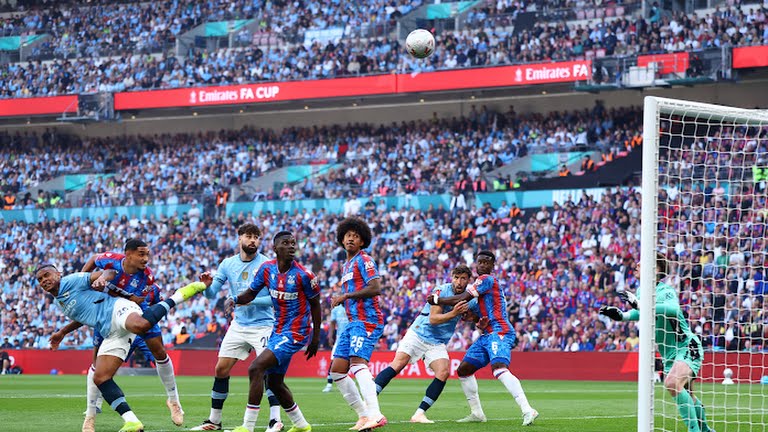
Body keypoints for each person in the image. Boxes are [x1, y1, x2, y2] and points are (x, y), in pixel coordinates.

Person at [40, 264, 210, 432]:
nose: (44, 280)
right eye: (40, 279)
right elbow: (83, 316)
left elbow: (109, 272)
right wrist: (62, 332)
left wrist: (101, 278)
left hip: (118, 309)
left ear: (58, 274)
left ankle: (180, 295)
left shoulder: (71, 280)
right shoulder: (58, 302)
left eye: (47, 275)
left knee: (143, 327)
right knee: (100, 377)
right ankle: (131, 421)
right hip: (110, 331)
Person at [51, 238, 184, 432]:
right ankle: (90, 415)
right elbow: (96, 259)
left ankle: (173, 401)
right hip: (108, 318)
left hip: (134, 317)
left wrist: (127, 296)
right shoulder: (110, 260)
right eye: (142, 254)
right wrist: (86, 279)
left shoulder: (147, 278)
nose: (146, 259)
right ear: (127, 254)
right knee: (97, 366)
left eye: (147, 254)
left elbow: (141, 301)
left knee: (160, 353)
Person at [599, 253, 712, 432]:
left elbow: (673, 310)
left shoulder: (665, 291)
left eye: (641, 263)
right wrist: (622, 315)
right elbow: (642, 312)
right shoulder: (641, 292)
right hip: (669, 354)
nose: (636, 265)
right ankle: (706, 430)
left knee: (672, 383)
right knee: (687, 393)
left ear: (655, 269)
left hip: (686, 345)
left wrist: (641, 305)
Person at [428, 250, 538, 425]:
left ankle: (527, 409)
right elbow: (477, 316)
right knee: (463, 370)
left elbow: (463, 297)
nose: (483, 265)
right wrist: (477, 321)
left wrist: (437, 299)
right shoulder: (483, 289)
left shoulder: (487, 280)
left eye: (487, 262)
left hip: (499, 331)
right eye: (480, 262)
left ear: (493, 266)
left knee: (499, 368)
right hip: (487, 334)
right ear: (476, 264)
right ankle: (477, 413)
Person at [192, 224, 284, 432]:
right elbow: (212, 293)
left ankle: (275, 420)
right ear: (239, 238)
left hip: (264, 326)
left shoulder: (268, 264)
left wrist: (245, 301)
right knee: (221, 369)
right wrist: (205, 287)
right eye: (248, 236)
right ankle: (214, 420)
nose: (253, 240)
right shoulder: (228, 264)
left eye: (256, 237)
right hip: (239, 325)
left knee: (269, 372)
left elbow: (274, 299)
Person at [229, 231, 321, 432]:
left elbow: (316, 305)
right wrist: (234, 299)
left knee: (255, 368)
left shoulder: (304, 275)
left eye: (293, 243)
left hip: (295, 333)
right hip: (277, 331)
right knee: (275, 382)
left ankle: (248, 426)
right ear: (275, 248)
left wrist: (315, 338)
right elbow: (250, 294)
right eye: (286, 243)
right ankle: (302, 425)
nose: (291, 246)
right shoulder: (266, 269)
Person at [374, 264, 472, 423]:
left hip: (437, 342)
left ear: (468, 280)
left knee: (443, 372)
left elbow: (472, 315)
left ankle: (419, 414)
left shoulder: (469, 298)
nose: (459, 282)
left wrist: (476, 319)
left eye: (463, 278)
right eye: (456, 278)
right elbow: (433, 319)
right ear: (452, 278)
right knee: (398, 364)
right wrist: (454, 313)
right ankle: (369, 404)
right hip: (418, 333)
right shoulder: (441, 290)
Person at [329, 217, 387, 431]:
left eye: (356, 236)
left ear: (362, 242)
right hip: (352, 323)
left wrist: (346, 296)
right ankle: (363, 416)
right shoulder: (346, 265)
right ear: (342, 240)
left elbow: (375, 287)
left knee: (357, 363)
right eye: (348, 236)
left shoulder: (365, 259)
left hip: (368, 319)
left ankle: (376, 414)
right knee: (337, 370)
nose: (351, 239)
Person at [322, 303, 349, 393]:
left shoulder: (353, 307)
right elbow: (333, 323)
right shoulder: (336, 310)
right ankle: (329, 384)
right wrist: (330, 336)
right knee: (334, 360)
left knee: (356, 362)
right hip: (340, 339)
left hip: (352, 338)